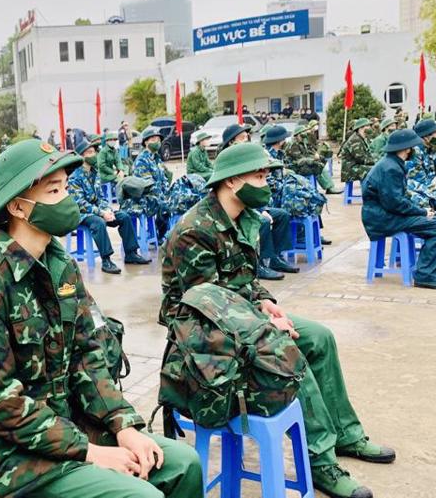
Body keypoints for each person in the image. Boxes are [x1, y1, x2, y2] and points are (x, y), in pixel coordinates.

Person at [0, 138, 203, 498]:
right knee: (140, 495)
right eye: (55, 190)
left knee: (182, 464)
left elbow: (89, 356)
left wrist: (124, 425)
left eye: (66, 187)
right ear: (19, 206)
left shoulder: (61, 266)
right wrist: (90, 452)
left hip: (72, 426)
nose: (68, 200)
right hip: (12, 456)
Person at [161, 143, 394, 498]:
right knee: (286, 352)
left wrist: (266, 303)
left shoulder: (244, 217)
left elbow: (242, 280)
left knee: (319, 336)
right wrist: (264, 326)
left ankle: (346, 434)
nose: (266, 182)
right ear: (233, 182)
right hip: (199, 336)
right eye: (259, 175)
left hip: (239, 318)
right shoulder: (194, 230)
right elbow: (206, 304)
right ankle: (320, 462)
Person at [362, 129, 436, 290]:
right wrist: (422, 212)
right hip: (383, 218)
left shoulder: (392, 163)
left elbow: (399, 199)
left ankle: (433, 268)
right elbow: (394, 203)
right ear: (406, 149)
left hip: (386, 214)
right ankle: (425, 275)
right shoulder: (390, 168)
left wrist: (421, 209)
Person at [220, 124, 298, 280]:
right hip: (236, 207)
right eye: (242, 137)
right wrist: (260, 211)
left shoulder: (247, 158)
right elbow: (238, 193)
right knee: (261, 221)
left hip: (250, 205)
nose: (246, 140)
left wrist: (262, 207)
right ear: (231, 142)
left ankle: (275, 257)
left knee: (282, 215)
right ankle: (259, 264)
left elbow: (255, 188)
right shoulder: (228, 161)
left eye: (247, 137)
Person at [69, 140, 151, 274]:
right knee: (99, 222)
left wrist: (108, 209)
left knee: (123, 216)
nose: (93, 154)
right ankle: (106, 260)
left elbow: (100, 198)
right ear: (81, 157)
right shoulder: (74, 177)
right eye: (89, 152)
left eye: (94, 151)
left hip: (98, 210)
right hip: (82, 214)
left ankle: (131, 253)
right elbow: (80, 203)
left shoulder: (95, 173)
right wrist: (101, 213)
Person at [129, 127, 171, 240]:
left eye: (158, 139)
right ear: (146, 142)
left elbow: (164, 180)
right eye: (153, 139)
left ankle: (162, 233)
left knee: (176, 202)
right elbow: (148, 185)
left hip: (156, 195)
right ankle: (159, 235)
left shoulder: (157, 159)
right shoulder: (142, 160)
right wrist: (164, 197)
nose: (156, 142)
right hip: (144, 197)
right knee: (165, 206)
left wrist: (168, 193)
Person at [285, 120, 342, 194]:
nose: (305, 134)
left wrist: (314, 158)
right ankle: (329, 188)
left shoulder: (302, 142)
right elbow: (299, 160)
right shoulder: (293, 145)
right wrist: (311, 161)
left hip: (302, 164)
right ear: (298, 134)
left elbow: (307, 154)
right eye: (303, 132)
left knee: (320, 162)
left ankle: (330, 187)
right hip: (295, 167)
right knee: (317, 166)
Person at [406, 118, 436, 185]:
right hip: (422, 191)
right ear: (425, 137)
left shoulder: (432, 146)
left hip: (434, 186)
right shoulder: (414, 153)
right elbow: (418, 183)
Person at [339, 118, 376, 185]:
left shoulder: (361, 138)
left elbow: (367, 155)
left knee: (378, 168)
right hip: (350, 170)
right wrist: (375, 162)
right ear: (360, 128)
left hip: (356, 166)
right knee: (376, 169)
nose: (369, 128)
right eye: (367, 126)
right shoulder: (355, 140)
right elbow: (361, 158)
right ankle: (369, 192)